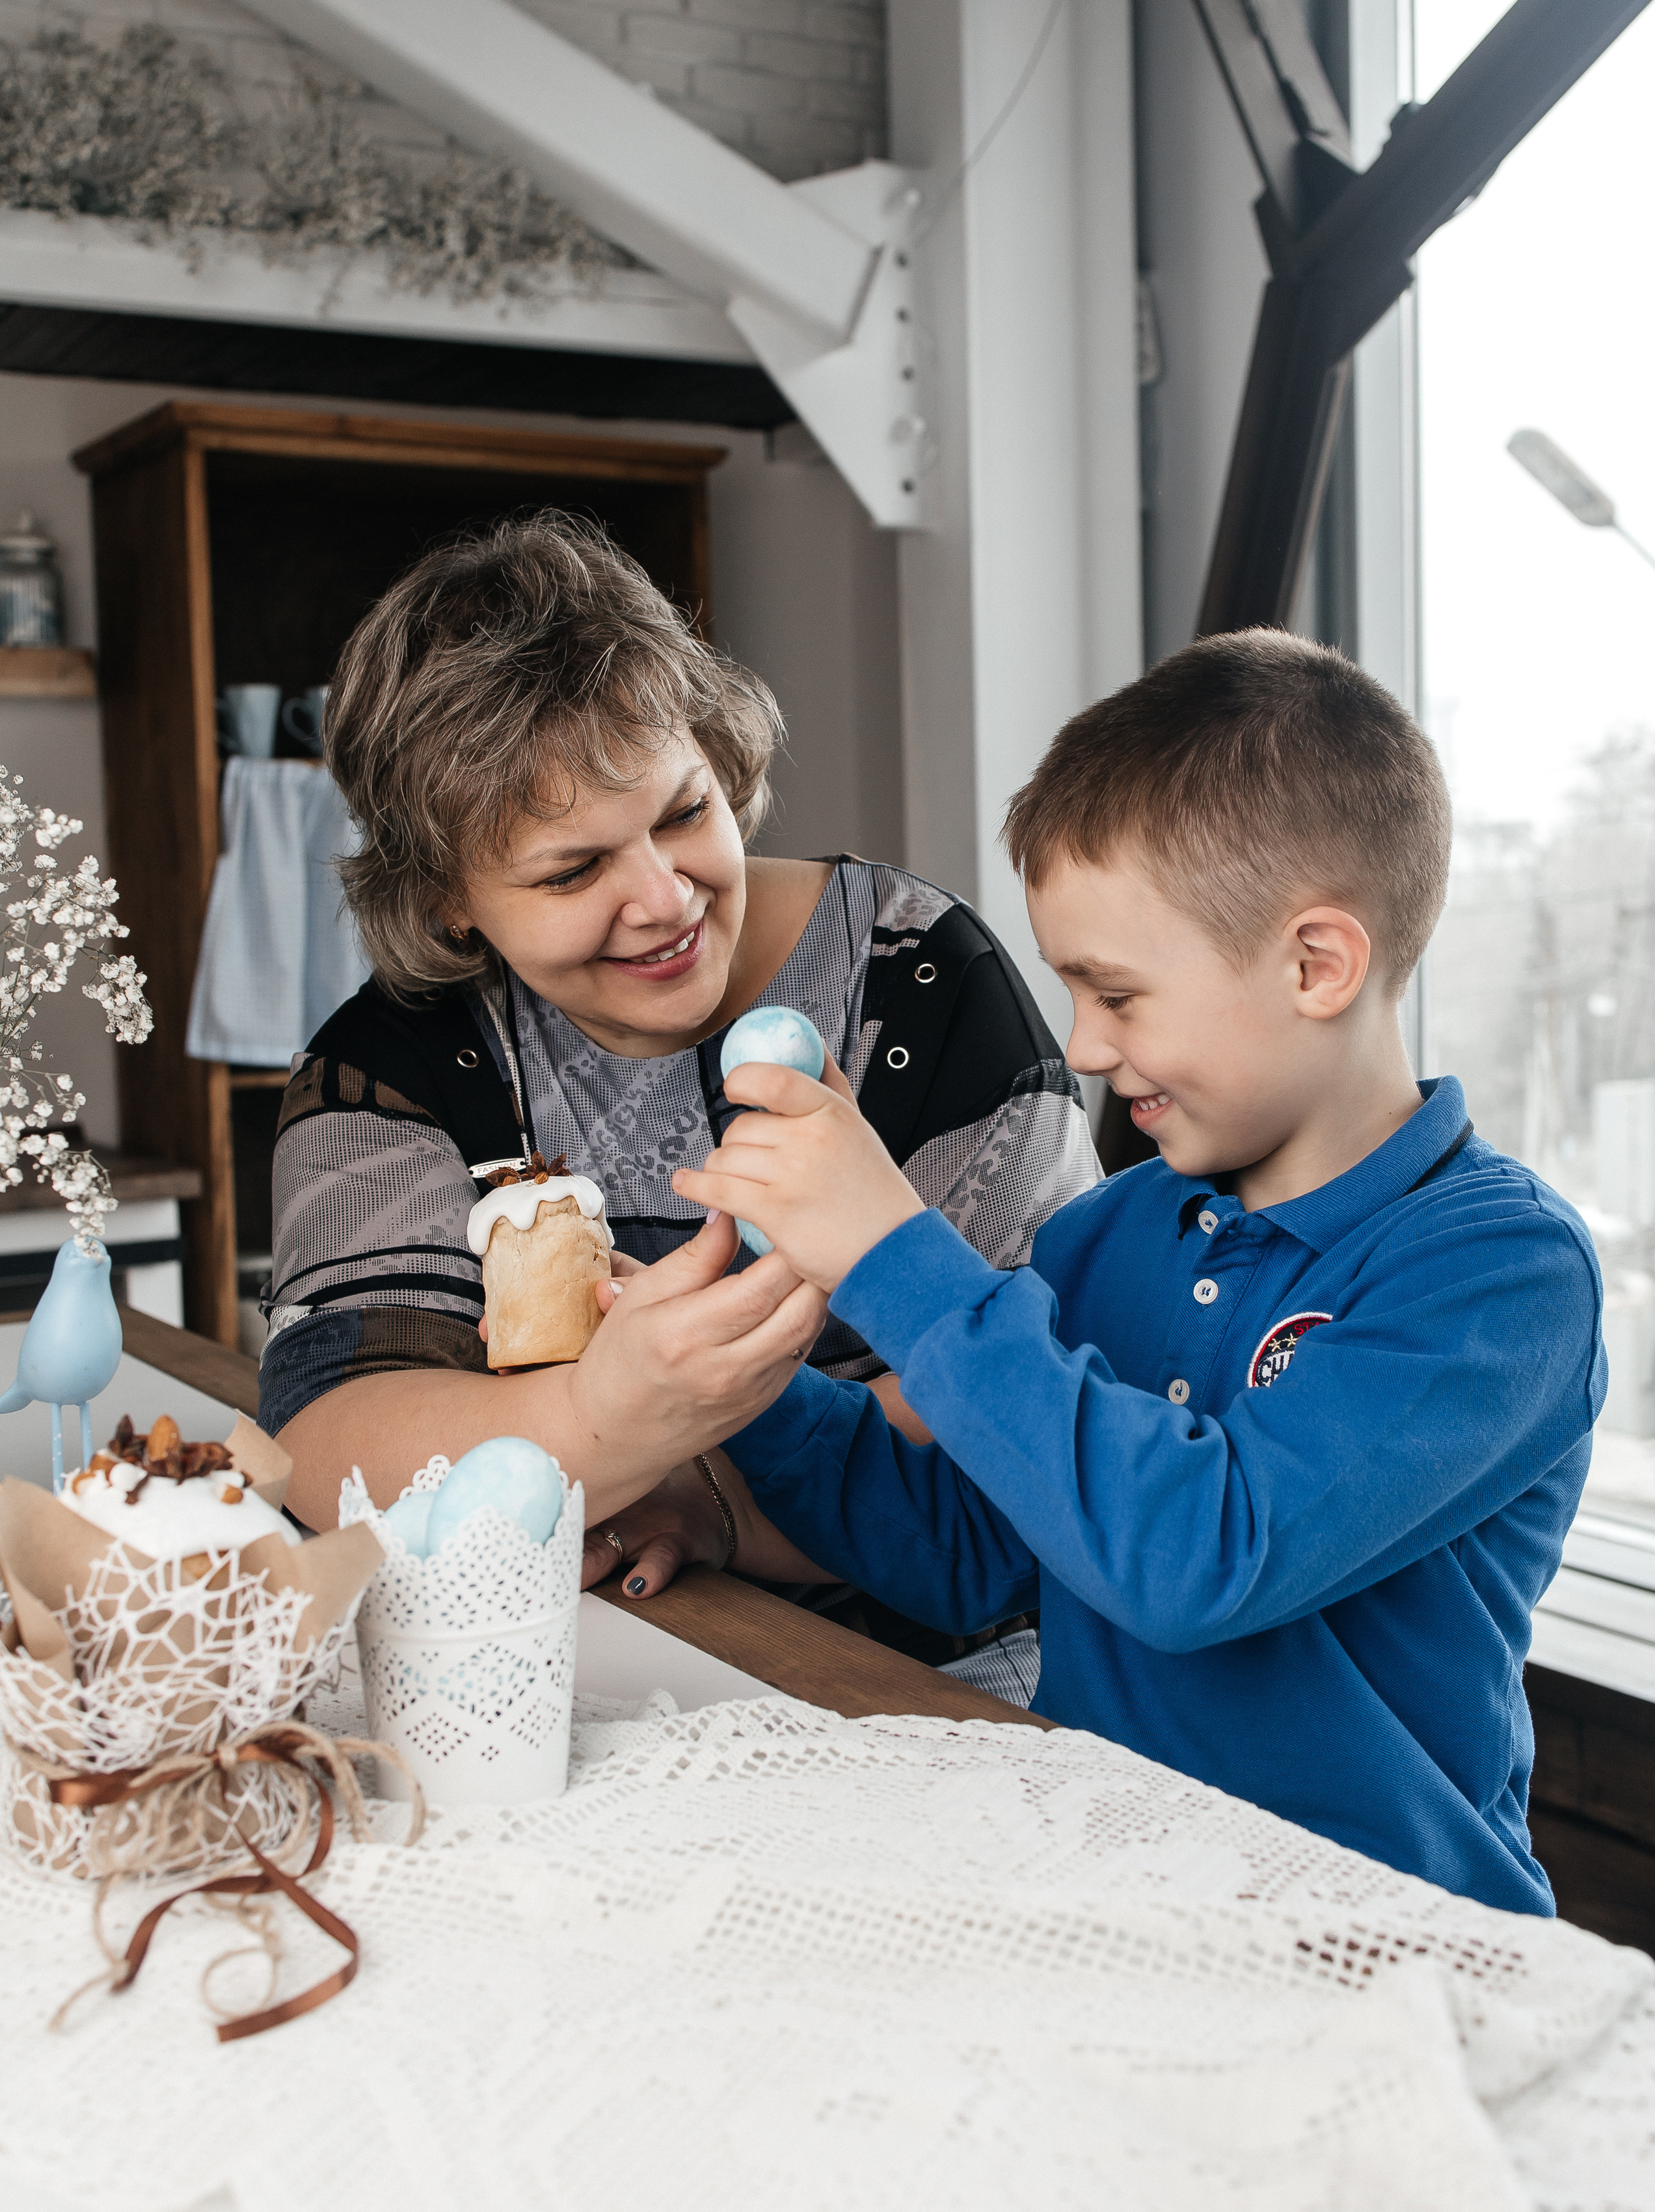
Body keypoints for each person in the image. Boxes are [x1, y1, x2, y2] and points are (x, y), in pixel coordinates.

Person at [597, 630, 1603, 1915]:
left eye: (1114, 995)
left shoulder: (1497, 1275)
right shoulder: (1104, 1234)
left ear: (1315, 965)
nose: (1079, 1044)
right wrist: (756, 1370)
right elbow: (966, 1551)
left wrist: (896, 1255)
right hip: (1110, 1899)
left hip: (1389, 1946)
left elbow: (1200, 1561)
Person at [261, 513, 1096, 1685]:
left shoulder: (917, 978)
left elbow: (1059, 1392)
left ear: (720, 753)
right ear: (449, 897)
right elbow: (326, 1442)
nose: (665, 898)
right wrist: (608, 1419)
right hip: (588, 1659)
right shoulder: (394, 1062)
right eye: (573, 868)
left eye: (682, 813)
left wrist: (717, 1495)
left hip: (945, 1665)